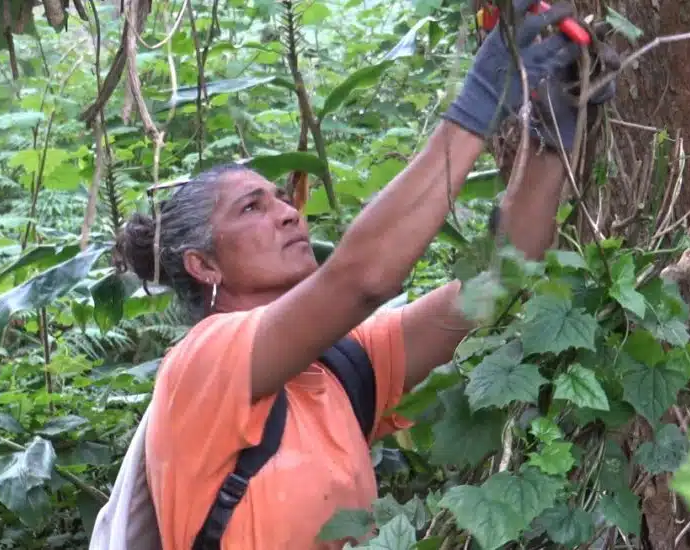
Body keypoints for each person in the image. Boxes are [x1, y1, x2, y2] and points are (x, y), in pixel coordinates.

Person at [108, 1, 615, 548]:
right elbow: (362, 279)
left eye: (282, 198)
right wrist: (480, 102)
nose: (287, 212)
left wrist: (550, 137)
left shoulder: (341, 368)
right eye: (252, 208)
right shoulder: (202, 364)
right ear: (202, 264)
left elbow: (497, 290)